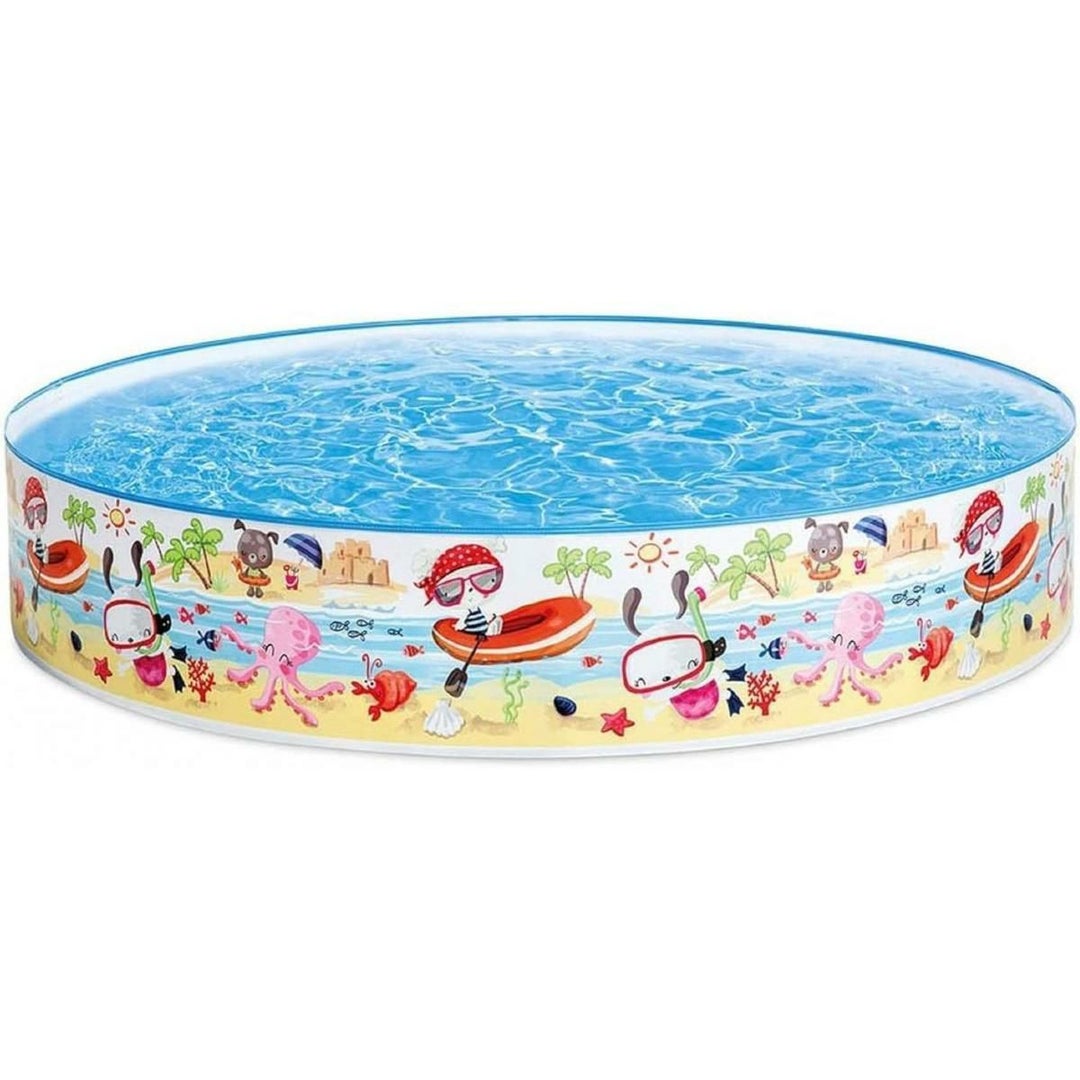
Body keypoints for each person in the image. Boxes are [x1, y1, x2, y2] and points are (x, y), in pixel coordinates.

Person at [415, 542, 505, 637]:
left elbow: (490, 618)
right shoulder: (466, 617)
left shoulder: (483, 614)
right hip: (469, 639)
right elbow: (460, 625)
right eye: (453, 589)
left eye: (483, 581)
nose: (471, 590)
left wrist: (494, 620)